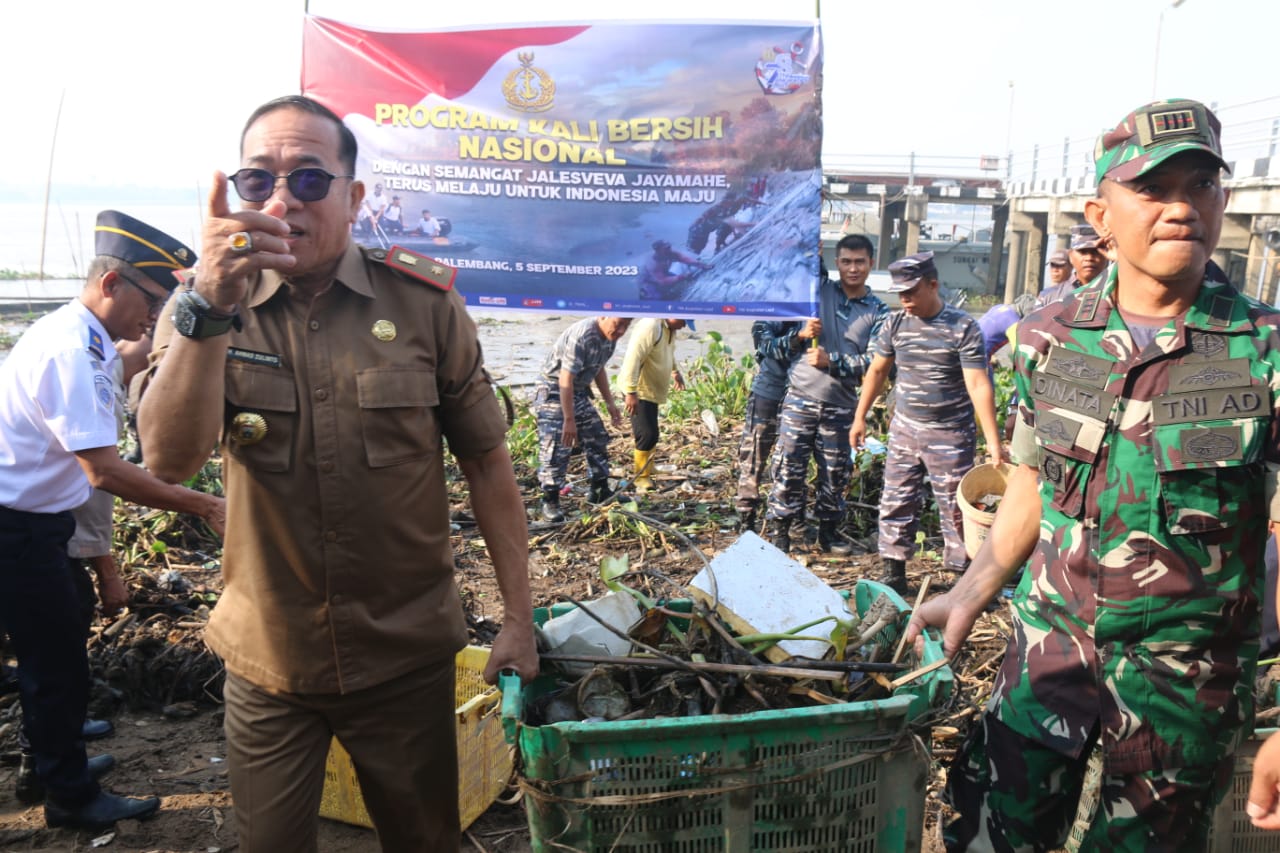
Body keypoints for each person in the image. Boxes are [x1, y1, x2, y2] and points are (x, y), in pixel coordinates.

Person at [135, 95, 538, 853]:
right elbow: (167, 458)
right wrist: (209, 307)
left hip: (406, 659)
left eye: (311, 181)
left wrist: (518, 616)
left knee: (425, 841)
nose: (282, 200)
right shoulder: (206, 306)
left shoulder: (424, 305)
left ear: (354, 199)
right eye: (258, 181)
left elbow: (487, 461)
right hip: (270, 663)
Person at [903, 98, 1278, 851]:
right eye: (1152, 188)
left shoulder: (1264, 352)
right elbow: (1034, 480)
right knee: (987, 837)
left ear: (1223, 201)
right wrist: (972, 589)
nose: (1180, 207)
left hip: (1184, 685)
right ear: (1100, 213)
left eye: (1199, 185)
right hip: (1046, 658)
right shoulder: (1050, 334)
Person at [0, 210, 226, 830]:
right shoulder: (72, 350)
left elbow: (128, 374)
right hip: (14, 528)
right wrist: (206, 505)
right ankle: (68, 798)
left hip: (39, 525)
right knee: (55, 665)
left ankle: (52, 758)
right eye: (150, 299)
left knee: (63, 641)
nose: (152, 315)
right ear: (110, 284)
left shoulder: (86, 336)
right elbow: (105, 472)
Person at [12, 333, 154, 805]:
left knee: (48, 659)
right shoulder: (89, 372)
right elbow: (98, 484)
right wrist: (107, 570)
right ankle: (62, 784)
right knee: (55, 662)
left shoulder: (60, 345)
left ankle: (57, 756)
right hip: (27, 531)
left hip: (28, 525)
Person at [850, 251, 1003, 592]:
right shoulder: (894, 324)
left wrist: (993, 442)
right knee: (896, 499)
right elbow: (877, 371)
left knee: (955, 507)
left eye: (912, 291)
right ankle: (894, 573)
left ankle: (965, 580)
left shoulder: (962, 327)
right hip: (905, 428)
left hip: (949, 432)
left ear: (933, 285)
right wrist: (859, 417)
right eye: (900, 293)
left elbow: (978, 383)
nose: (904, 299)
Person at [765, 234, 887, 554]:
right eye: (846, 261)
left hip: (841, 404)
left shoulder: (879, 312)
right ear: (837, 262)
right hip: (801, 396)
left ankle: (828, 532)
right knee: (788, 465)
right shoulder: (819, 292)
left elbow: (874, 364)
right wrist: (809, 248)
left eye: (860, 262)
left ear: (871, 264)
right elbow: (803, 269)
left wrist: (831, 361)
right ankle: (781, 530)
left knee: (835, 471)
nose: (853, 268)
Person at [533, 316, 632, 521]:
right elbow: (565, 379)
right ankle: (550, 499)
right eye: (618, 324)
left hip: (577, 391)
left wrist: (610, 402)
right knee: (558, 442)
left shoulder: (609, 337)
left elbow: (599, 369)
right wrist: (569, 420)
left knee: (596, 435)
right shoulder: (583, 336)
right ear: (604, 317)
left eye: (626, 325)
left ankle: (599, 490)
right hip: (553, 389)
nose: (621, 330)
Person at [734, 318, 801, 531]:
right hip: (769, 393)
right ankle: (746, 515)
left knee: (793, 457)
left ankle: (789, 519)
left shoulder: (818, 313)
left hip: (802, 396)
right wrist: (799, 337)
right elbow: (767, 347)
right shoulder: (770, 317)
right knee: (754, 454)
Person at [619, 318, 690, 492]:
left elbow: (668, 352)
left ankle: (648, 467)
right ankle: (640, 477)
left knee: (653, 432)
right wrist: (630, 391)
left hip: (651, 390)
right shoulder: (651, 326)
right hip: (639, 390)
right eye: (684, 320)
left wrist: (675, 371)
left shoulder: (669, 329)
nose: (685, 325)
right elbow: (633, 357)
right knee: (646, 434)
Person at [1035, 224, 1108, 309]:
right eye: (1083, 252)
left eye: (1095, 252)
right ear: (1071, 256)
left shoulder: (1119, 295)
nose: (1089, 258)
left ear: (1106, 255)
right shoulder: (1048, 297)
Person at [636, 240, 711, 300]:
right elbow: (662, 281)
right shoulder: (653, 263)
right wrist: (681, 277)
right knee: (658, 298)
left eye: (669, 247)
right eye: (666, 248)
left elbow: (685, 259)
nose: (669, 249)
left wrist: (702, 265)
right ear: (658, 250)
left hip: (664, 274)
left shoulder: (670, 253)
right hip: (648, 281)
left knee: (685, 282)